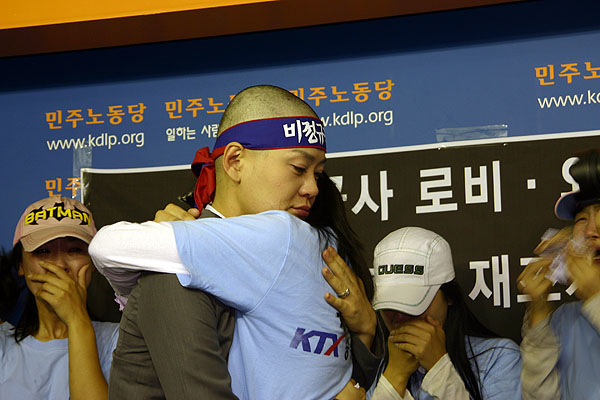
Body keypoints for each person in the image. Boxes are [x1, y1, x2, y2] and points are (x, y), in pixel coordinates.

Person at [102, 85, 383, 399]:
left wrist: (365, 331)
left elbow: (329, 381)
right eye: (298, 169)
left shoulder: (308, 247)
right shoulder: (175, 265)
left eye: (317, 174)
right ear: (235, 161)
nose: (312, 188)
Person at [367, 227, 522, 400]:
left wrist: (439, 368)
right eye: (390, 304)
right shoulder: (380, 371)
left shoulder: (497, 359)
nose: (401, 316)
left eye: (413, 304)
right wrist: (395, 377)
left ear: (449, 296)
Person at [0, 196, 119, 399]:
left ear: (93, 263)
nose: (60, 265)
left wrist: (76, 319)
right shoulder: (3, 345)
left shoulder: (121, 340)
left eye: (74, 250)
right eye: (43, 251)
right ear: (21, 265)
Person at [518, 150, 600, 400]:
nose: (591, 231)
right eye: (582, 219)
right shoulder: (566, 319)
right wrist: (539, 311)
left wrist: (596, 297)